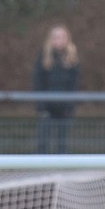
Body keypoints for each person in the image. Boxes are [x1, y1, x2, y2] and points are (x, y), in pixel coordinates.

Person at [32, 24, 80, 154]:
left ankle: (62, 164)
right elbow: (38, 82)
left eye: (62, 37)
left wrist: (70, 106)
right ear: (51, 39)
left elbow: (74, 84)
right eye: (56, 37)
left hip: (65, 107)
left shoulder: (73, 59)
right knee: (43, 141)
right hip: (47, 106)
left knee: (62, 142)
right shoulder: (43, 57)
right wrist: (41, 106)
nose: (59, 40)